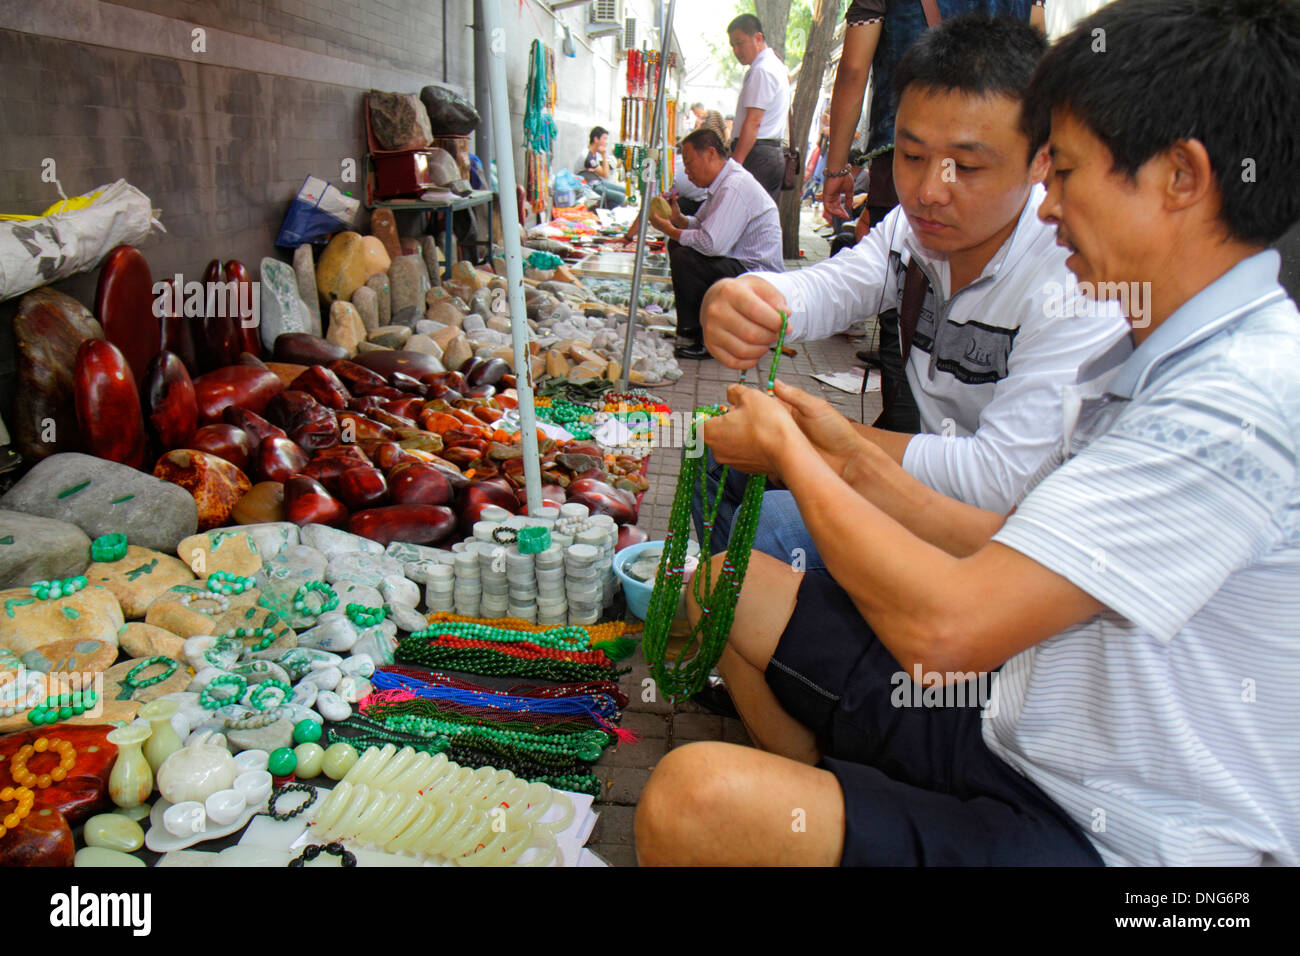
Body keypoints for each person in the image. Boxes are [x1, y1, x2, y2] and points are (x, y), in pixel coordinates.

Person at [635, 0, 1300, 868]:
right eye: (910, 156)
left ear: (1182, 176)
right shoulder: (1163, 345)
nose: (1050, 207)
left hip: (1130, 844)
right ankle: (826, 810)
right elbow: (999, 538)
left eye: (1063, 171)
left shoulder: (1230, 399)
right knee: (726, 585)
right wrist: (812, 416)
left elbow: (946, 631)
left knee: (690, 803)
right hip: (1020, 726)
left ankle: (815, 818)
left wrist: (801, 451)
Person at [693, 15, 1130, 582]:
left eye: (966, 166)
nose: (928, 192)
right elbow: (834, 286)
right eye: (911, 155)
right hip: (910, 492)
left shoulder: (1075, 278)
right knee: (711, 452)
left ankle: (814, 642)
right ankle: (757, 640)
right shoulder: (913, 231)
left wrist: (805, 444)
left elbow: (999, 479)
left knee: (771, 526)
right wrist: (744, 296)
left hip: (1001, 552)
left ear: (1040, 160)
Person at [822, 0, 1044, 232]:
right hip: (992, 159)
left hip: (911, 157)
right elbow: (1036, 65)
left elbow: (853, 72)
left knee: (902, 254)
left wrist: (837, 169)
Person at [649, 127, 783, 361]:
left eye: (689, 163)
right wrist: (678, 219)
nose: (687, 172)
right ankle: (691, 330)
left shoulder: (733, 185)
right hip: (739, 263)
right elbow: (701, 225)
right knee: (679, 246)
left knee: (684, 255)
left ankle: (706, 338)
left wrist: (670, 229)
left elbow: (712, 244)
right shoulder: (723, 183)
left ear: (710, 153)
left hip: (759, 275)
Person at [726, 14, 791, 204]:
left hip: (758, 154)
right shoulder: (772, 65)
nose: (736, 50)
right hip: (764, 153)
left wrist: (735, 164)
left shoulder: (762, 69)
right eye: (732, 46)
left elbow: (754, 122)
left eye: (740, 43)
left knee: (747, 219)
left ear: (758, 38)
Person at [578, 126, 626, 209]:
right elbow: (605, 174)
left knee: (625, 190)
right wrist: (604, 155)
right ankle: (597, 210)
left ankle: (601, 206)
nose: (606, 142)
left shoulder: (594, 153)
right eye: (604, 139)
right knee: (621, 198)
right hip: (590, 186)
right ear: (596, 139)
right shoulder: (588, 156)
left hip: (597, 182)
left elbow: (604, 171)